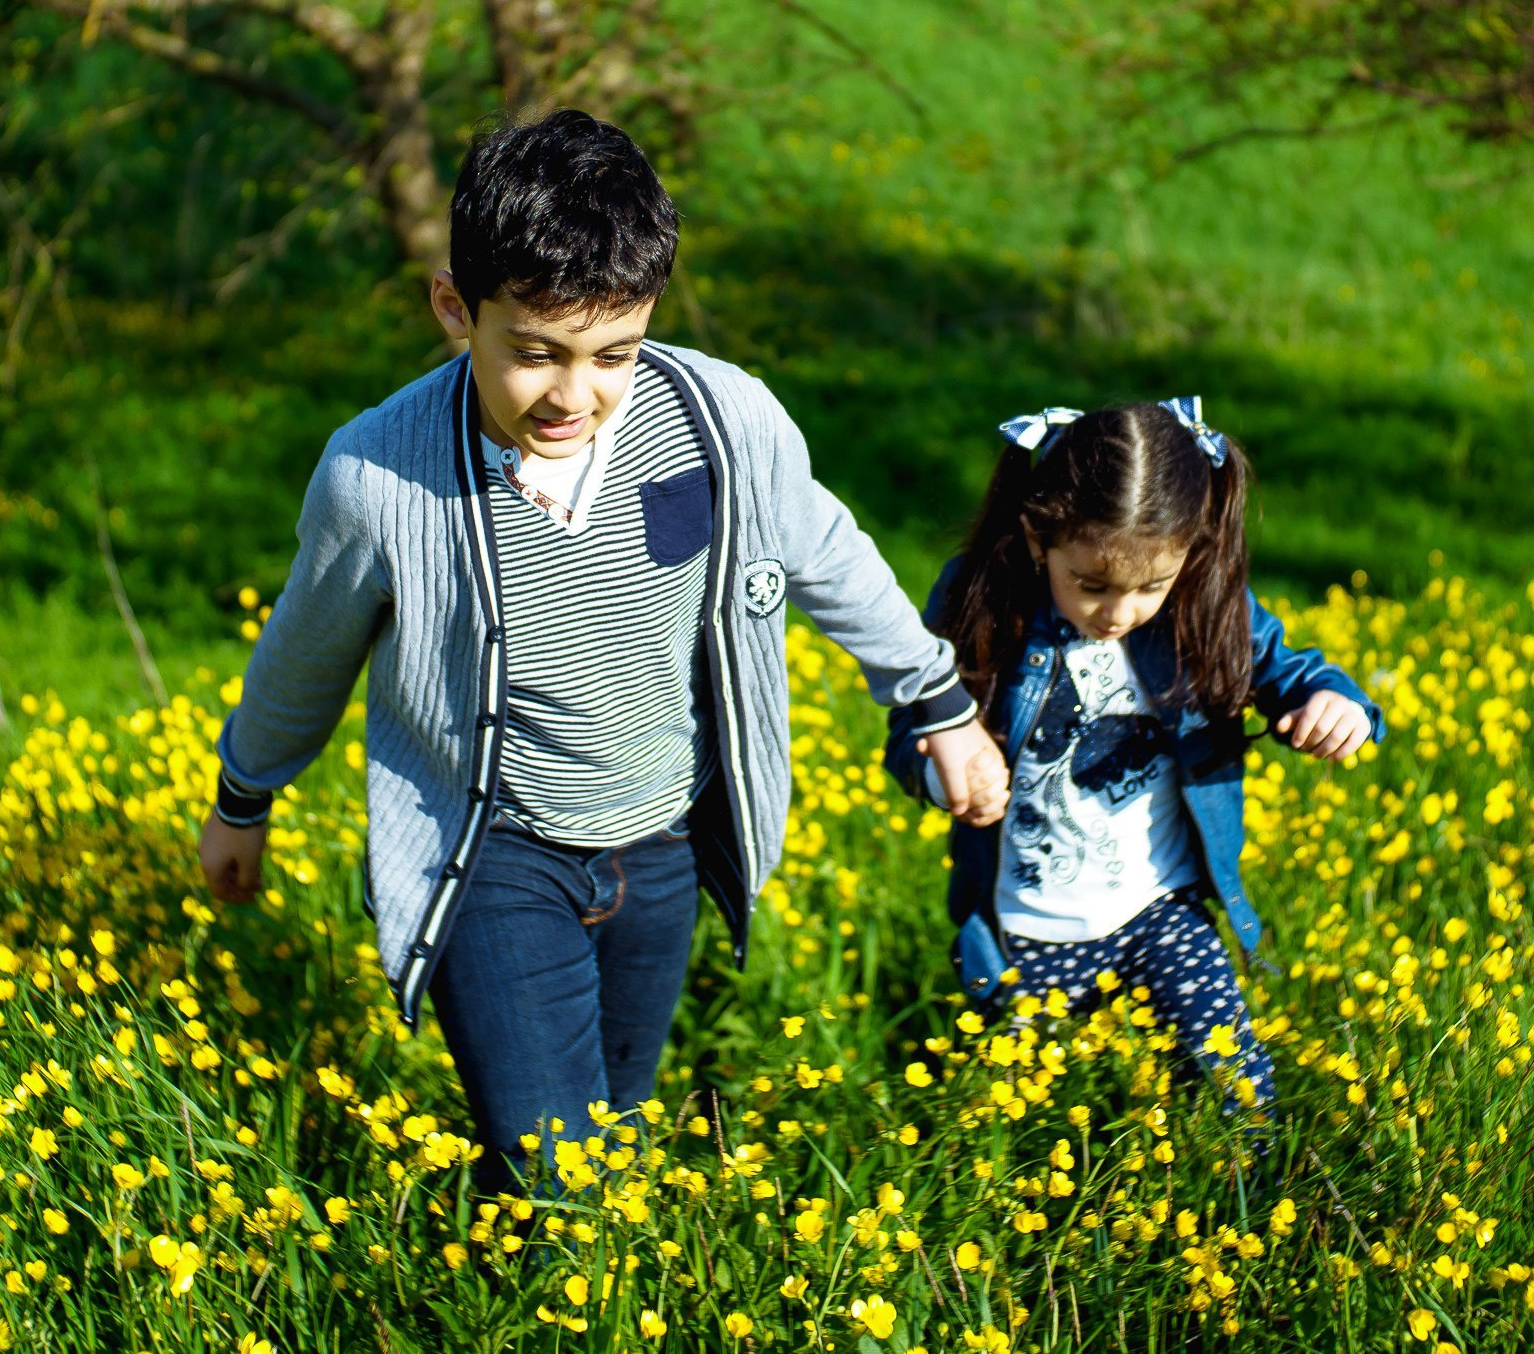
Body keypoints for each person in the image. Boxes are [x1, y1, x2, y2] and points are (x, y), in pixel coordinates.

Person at [200, 109, 1007, 1191]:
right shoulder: (377, 477)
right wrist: (244, 795)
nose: (573, 396)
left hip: (663, 841)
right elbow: (306, 650)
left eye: (610, 354)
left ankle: (528, 1282)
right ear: (456, 307)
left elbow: (827, 553)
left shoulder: (725, 425)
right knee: (552, 1160)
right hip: (493, 850)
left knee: (612, 1142)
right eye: (533, 354)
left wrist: (938, 704)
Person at [884, 399, 1381, 1119]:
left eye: (1152, 585)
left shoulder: (1205, 606)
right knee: (1018, 1128)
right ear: (1036, 537)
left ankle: (1256, 1191)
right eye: (1092, 584)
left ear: (1189, 549)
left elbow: (1292, 672)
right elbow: (914, 733)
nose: (1121, 612)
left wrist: (1338, 705)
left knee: (1234, 1085)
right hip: (1028, 926)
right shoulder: (982, 603)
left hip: (1162, 909)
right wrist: (943, 771)